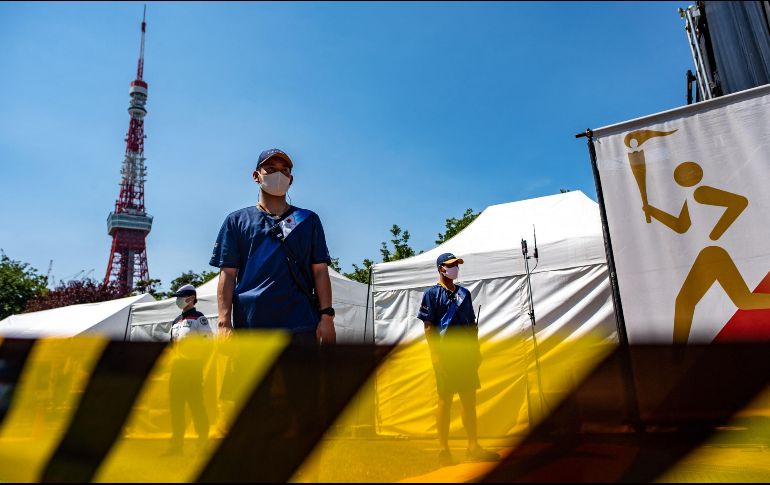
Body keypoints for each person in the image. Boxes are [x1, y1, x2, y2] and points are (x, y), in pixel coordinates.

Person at [209, 148, 336, 344]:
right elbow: (228, 274)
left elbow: (320, 271)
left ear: (291, 179)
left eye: (284, 170)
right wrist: (224, 322)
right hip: (251, 325)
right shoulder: (236, 221)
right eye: (270, 168)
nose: (279, 174)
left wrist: (327, 317)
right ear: (256, 176)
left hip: (300, 323)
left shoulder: (308, 220)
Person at [417, 253, 500, 467]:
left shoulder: (465, 293)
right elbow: (428, 328)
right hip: (445, 355)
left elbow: (472, 324)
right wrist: (435, 355)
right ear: (440, 269)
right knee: (445, 402)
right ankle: (443, 450)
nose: (455, 268)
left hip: (466, 355)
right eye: (450, 265)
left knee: (469, 402)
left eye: (456, 264)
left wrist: (476, 350)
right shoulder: (431, 294)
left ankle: (473, 447)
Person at [164, 283, 214, 456]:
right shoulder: (175, 321)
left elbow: (209, 344)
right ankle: (176, 446)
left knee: (196, 407)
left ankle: (203, 444)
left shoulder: (199, 318)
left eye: (180, 297)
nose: (178, 300)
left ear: (191, 298)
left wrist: (199, 363)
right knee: (176, 408)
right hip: (176, 370)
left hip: (193, 368)